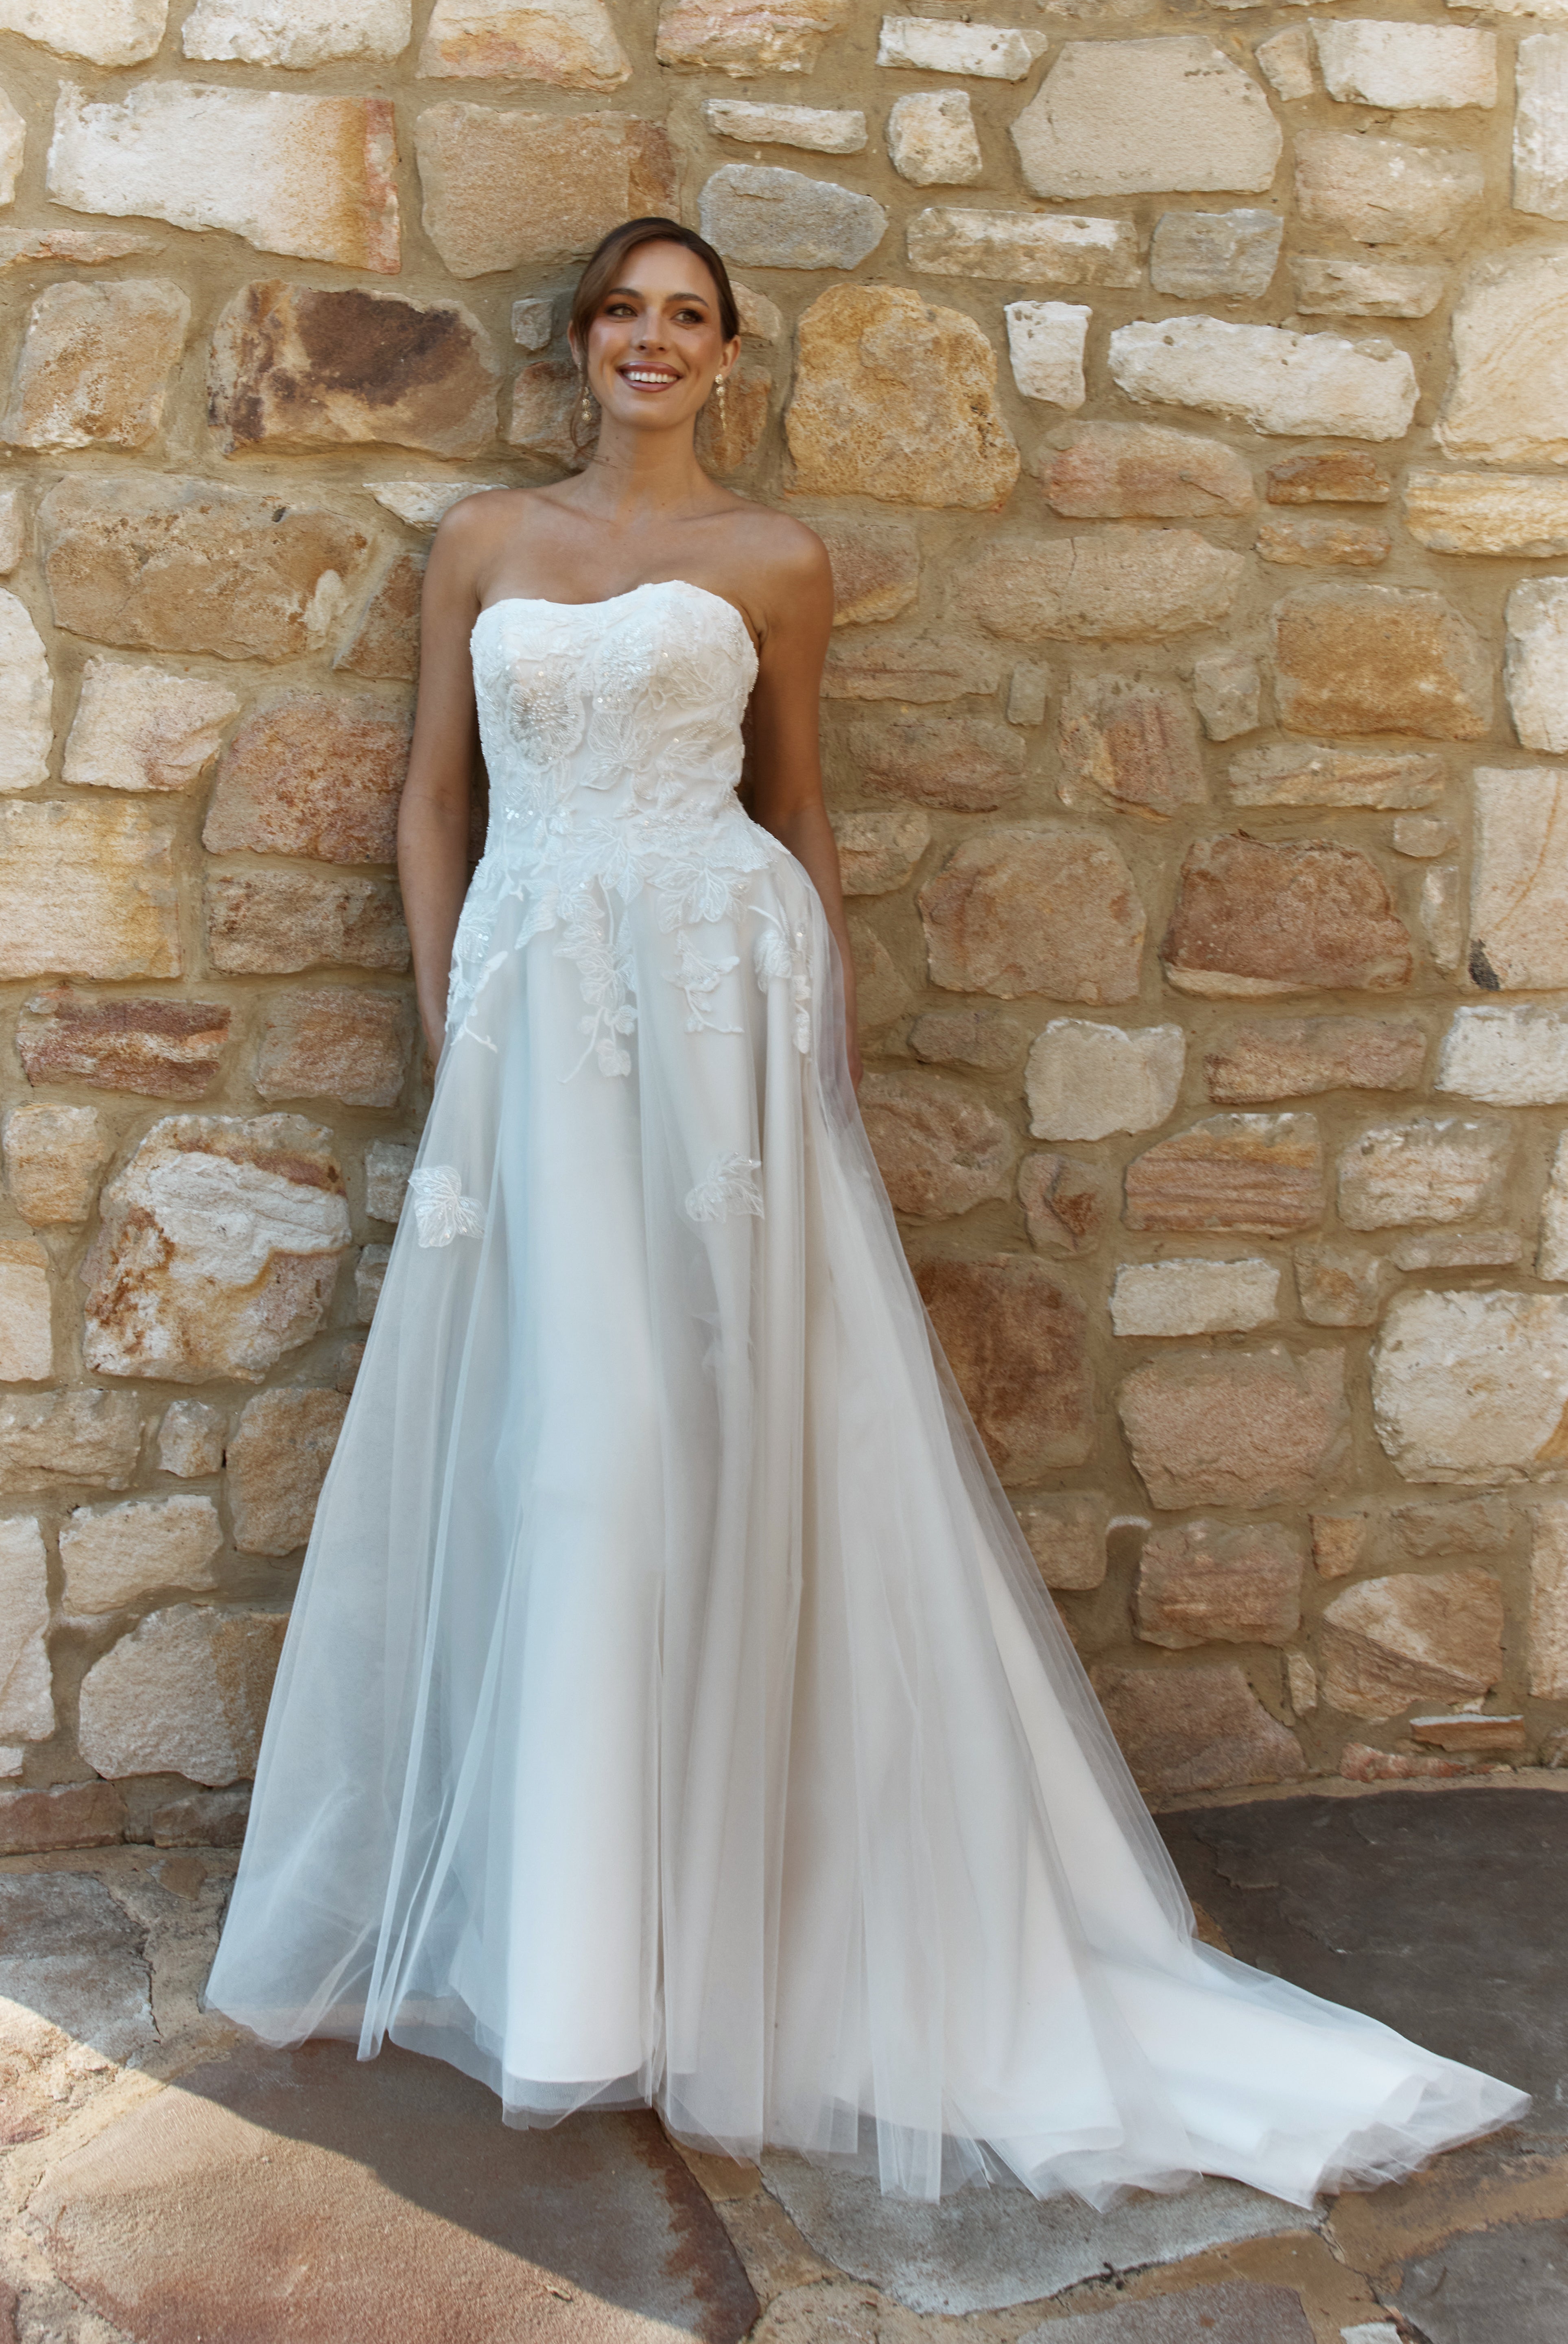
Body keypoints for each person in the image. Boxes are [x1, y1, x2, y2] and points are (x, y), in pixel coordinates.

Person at [205, 216, 1527, 2206]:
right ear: (580, 344)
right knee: (573, 1455)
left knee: (723, 1443)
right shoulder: (481, 537)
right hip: (536, 1022)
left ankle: (746, 1930)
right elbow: (431, 800)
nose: (654, 343)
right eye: (626, 315)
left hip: (719, 1005)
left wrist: (819, 1037)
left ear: (725, 356)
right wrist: (445, 1012)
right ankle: (572, 1964)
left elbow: (795, 806)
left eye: (691, 319)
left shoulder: (774, 562)